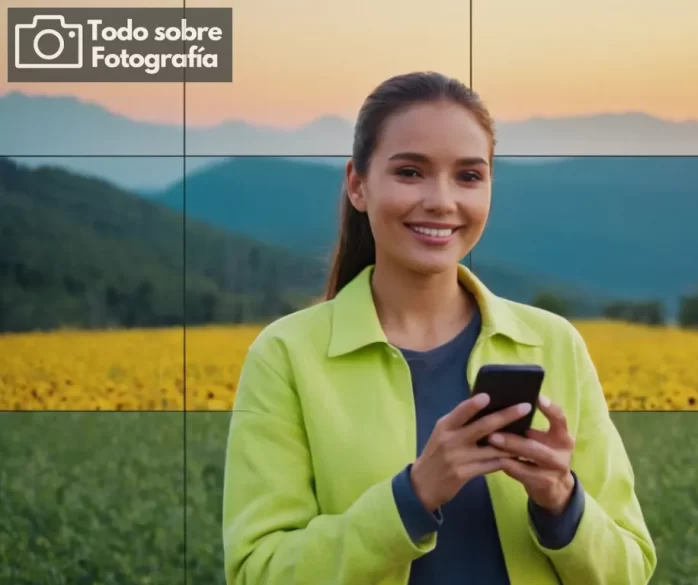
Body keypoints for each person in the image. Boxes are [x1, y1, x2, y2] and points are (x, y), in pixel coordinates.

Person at [220, 71, 657, 585]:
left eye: (469, 176)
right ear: (357, 185)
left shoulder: (554, 343)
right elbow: (258, 572)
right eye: (410, 172)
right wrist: (413, 496)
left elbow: (629, 571)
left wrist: (560, 500)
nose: (442, 201)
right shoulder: (287, 355)